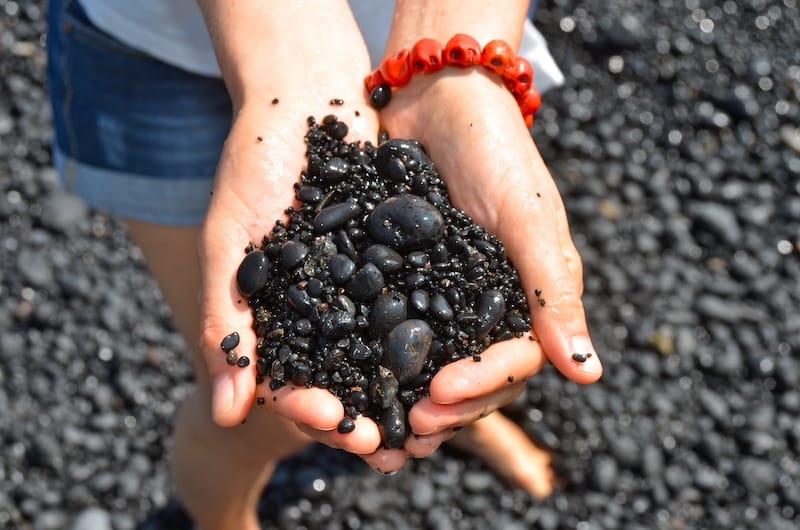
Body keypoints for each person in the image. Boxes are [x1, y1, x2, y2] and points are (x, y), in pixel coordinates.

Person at [47, 1, 603, 528]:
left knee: (457, 375)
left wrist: (451, 41)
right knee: (247, 399)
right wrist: (286, 50)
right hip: (152, 45)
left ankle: (453, 410)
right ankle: (224, 522)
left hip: (428, 41)